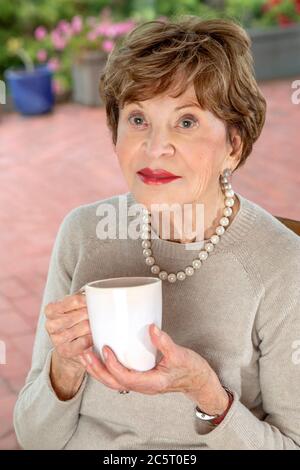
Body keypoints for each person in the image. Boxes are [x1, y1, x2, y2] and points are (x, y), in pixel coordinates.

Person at [14, 16, 300, 450]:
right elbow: (35, 438)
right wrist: (65, 367)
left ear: (234, 145)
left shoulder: (281, 264)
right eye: (138, 119)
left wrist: (208, 393)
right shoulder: (83, 232)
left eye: (187, 122)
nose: (154, 147)